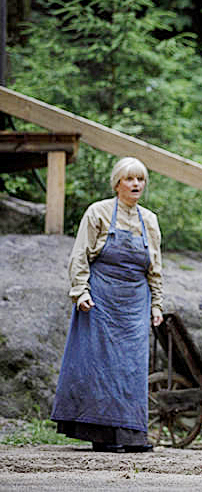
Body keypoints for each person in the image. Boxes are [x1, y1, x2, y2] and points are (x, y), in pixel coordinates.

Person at [51, 157, 163, 453]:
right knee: (100, 365)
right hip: (100, 299)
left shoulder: (149, 220)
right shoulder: (97, 212)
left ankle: (132, 435)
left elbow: (155, 267)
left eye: (140, 179)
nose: (136, 184)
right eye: (129, 179)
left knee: (132, 367)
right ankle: (102, 435)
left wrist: (156, 305)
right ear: (117, 184)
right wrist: (80, 290)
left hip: (135, 302)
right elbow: (80, 255)